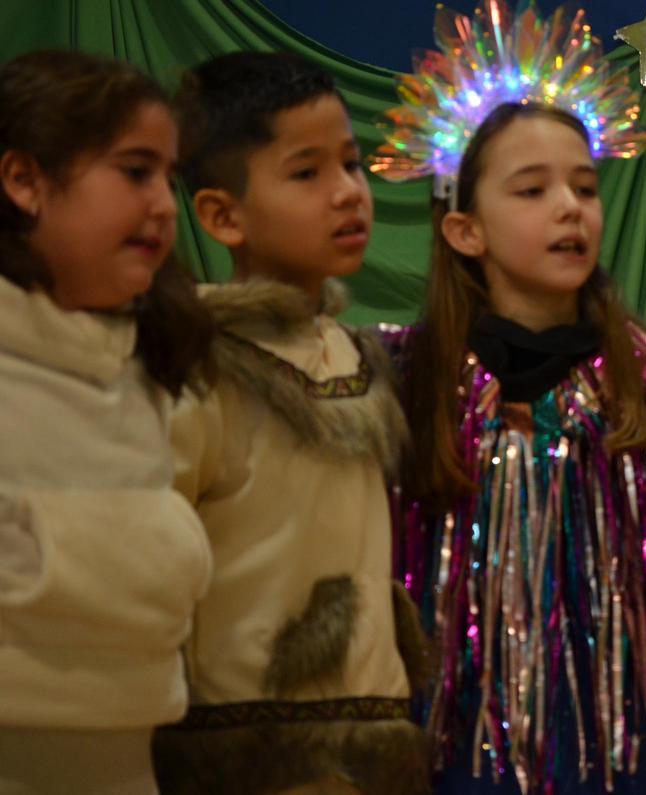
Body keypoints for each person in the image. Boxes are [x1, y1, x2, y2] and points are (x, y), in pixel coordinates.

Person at [379, 101, 646, 794]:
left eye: (585, 188)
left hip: (618, 756)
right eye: (532, 190)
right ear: (465, 230)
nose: (571, 208)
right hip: (456, 756)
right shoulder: (407, 382)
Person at [150, 51, 428, 795]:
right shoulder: (201, 368)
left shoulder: (354, 354)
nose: (348, 193)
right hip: (247, 745)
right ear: (221, 214)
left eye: (351, 163)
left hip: (376, 737)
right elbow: (152, 561)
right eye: (307, 173)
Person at [0, 50, 213, 794]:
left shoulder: (154, 364)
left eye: (169, 176)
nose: (162, 203)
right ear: (24, 180)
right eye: (133, 171)